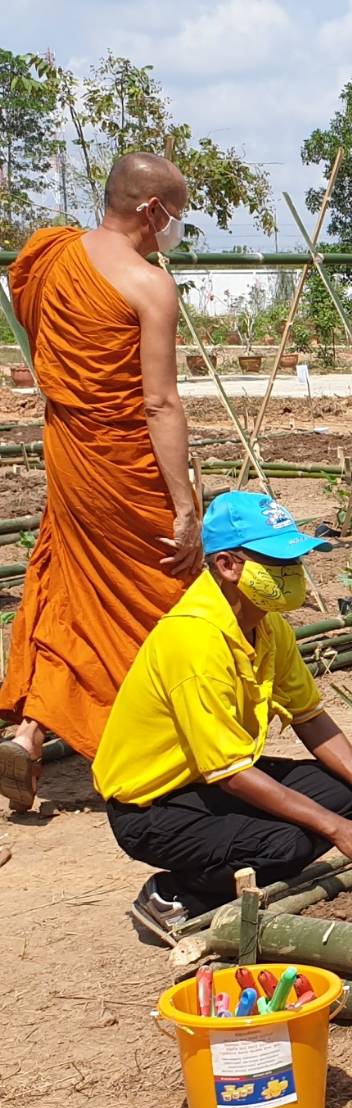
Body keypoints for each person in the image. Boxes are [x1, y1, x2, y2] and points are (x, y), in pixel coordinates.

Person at [93, 493, 352, 943]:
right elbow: (232, 774)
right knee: (290, 843)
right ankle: (176, 894)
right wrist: (341, 832)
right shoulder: (195, 639)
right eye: (278, 563)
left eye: (295, 561)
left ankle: (241, 862)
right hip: (152, 806)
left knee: (345, 796)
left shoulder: (265, 622)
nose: (293, 574)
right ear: (227, 565)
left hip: (209, 780)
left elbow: (310, 715)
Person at [0, 152, 201, 812]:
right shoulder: (149, 285)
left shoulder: (50, 253)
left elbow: (44, 337)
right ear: (152, 211)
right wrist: (184, 502)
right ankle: (164, 750)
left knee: (66, 582)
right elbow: (160, 403)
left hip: (67, 450)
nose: (178, 227)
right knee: (160, 591)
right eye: (178, 213)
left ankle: (29, 734)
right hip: (123, 463)